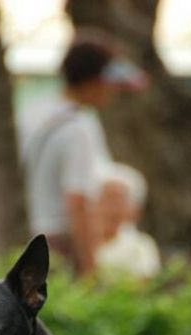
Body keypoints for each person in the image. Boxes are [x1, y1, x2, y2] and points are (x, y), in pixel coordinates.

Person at [19, 35, 147, 278]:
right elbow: (77, 201)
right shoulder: (79, 126)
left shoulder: (36, 114)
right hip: (62, 245)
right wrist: (90, 270)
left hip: (31, 239)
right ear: (92, 81)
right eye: (109, 83)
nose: (113, 92)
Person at [95, 162, 160, 279]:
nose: (111, 209)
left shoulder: (140, 246)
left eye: (118, 201)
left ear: (134, 211)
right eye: (106, 198)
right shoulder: (82, 244)